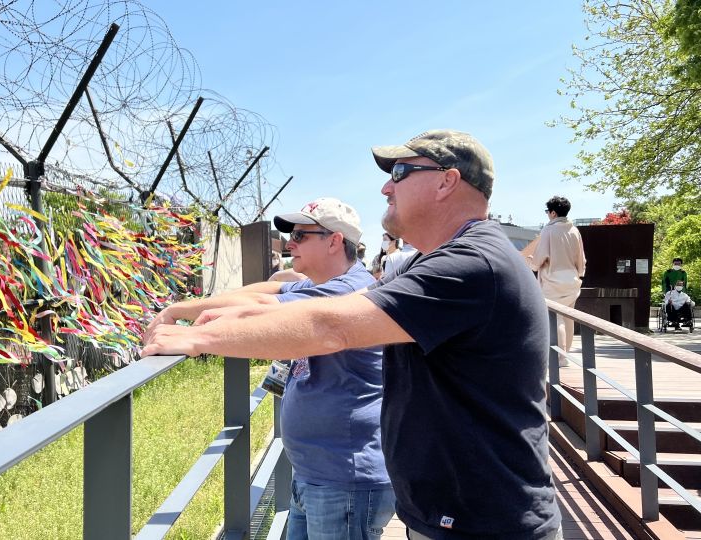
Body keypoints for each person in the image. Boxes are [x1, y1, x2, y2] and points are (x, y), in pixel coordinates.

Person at [144, 130, 561, 539]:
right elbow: (323, 306)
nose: (385, 187)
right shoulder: (433, 261)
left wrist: (199, 340)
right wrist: (218, 320)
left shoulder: (471, 263)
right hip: (451, 512)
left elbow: (330, 327)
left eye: (399, 172)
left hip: (487, 521)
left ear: (446, 181)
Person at [147, 197, 393, 539]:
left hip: (344, 482)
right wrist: (179, 309)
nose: (290, 242)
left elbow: (265, 314)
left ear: (335, 240)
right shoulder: (321, 284)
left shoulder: (346, 293)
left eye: (301, 235)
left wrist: (196, 338)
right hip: (316, 473)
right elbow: (268, 291)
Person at [523, 196, 586, 367]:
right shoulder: (574, 231)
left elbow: (539, 259)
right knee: (568, 318)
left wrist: (531, 262)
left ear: (552, 212)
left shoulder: (548, 231)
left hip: (553, 280)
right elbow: (581, 258)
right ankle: (566, 354)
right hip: (572, 280)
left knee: (555, 318)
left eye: (547, 212)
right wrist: (579, 273)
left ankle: (560, 358)